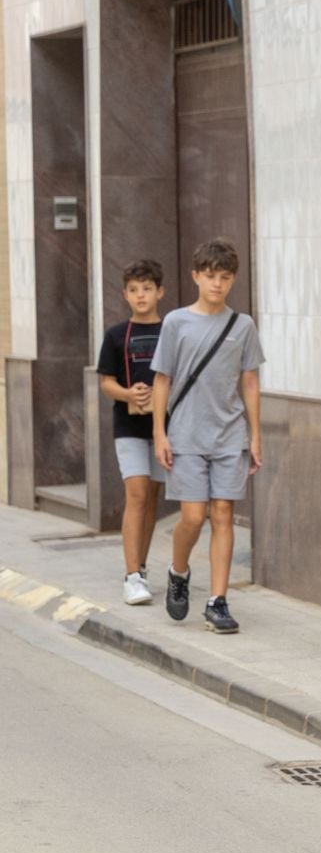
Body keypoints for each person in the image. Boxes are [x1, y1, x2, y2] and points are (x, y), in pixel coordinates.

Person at [151, 239, 264, 635]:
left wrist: (255, 435)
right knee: (193, 517)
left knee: (223, 514)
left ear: (233, 279)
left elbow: (249, 382)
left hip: (229, 435)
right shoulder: (176, 322)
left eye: (225, 277)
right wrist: (159, 433)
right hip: (184, 435)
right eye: (210, 276)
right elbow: (162, 378)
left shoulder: (243, 325)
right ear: (196, 276)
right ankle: (178, 571)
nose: (217, 284)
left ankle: (217, 602)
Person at [95, 259, 169, 605]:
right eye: (134, 290)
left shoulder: (172, 330)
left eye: (147, 289)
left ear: (160, 292)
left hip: (165, 427)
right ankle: (131, 576)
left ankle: (141, 565)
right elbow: (106, 382)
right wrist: (128, 394)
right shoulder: (115, 335)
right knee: (136, 493)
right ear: (125, 295)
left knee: (152, 496)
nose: (141, 296)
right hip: (128, 425)